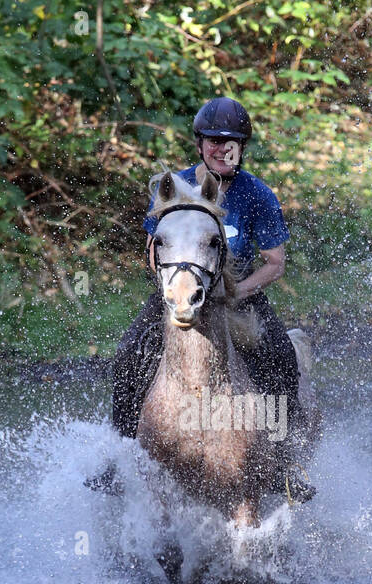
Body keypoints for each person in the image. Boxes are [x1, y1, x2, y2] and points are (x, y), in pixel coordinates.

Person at [110, 97, 302, 446]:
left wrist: (234, 292)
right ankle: (119, 451)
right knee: (128, 353)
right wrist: (173, 286)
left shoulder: (258, 195)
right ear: (200, 144)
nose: (222, 149)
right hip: (180, 288)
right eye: (214, 141)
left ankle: (286, 459)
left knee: (281, 355)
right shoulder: (174, 187)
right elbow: (153, 248)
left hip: (238, 292)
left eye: (232, 142)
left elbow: (275, 263)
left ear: (241, 148)